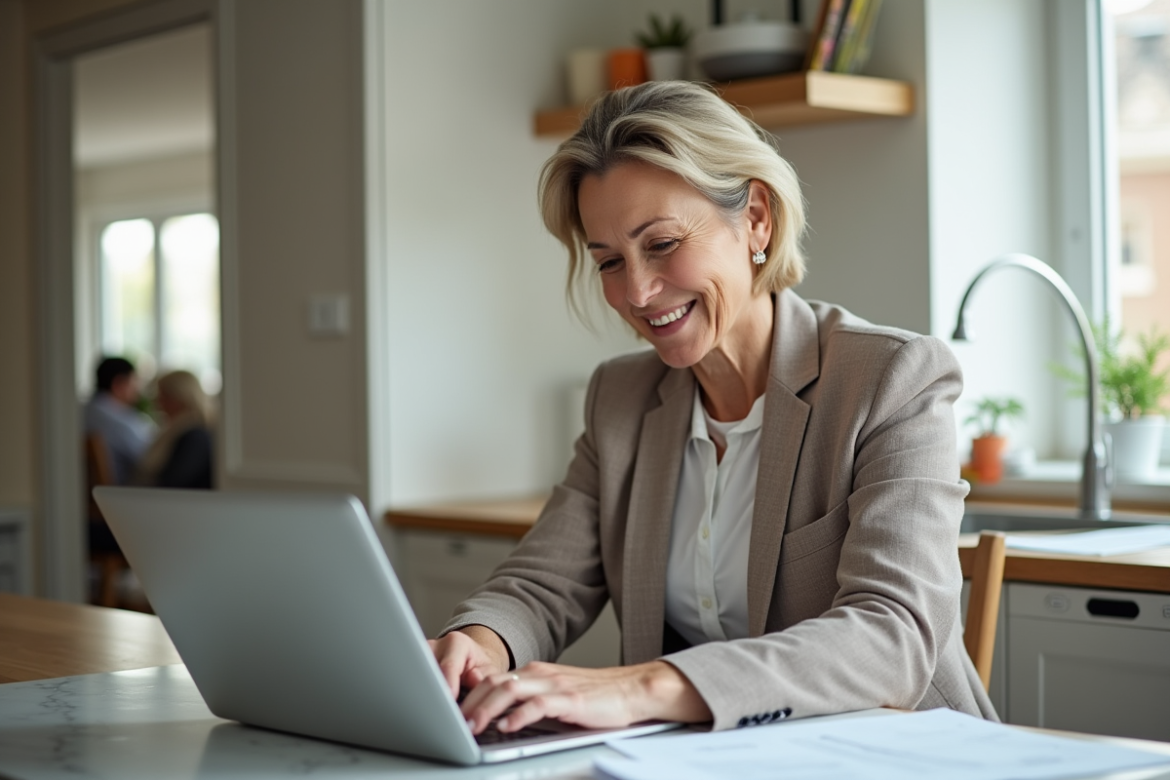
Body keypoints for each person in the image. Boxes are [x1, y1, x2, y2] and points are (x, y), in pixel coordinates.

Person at [430, 81, 997, 736]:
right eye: (609, 261)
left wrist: (643, 685)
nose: (637, 292)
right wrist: (475, 645)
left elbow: (891, 635)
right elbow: (541, 586)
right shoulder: (620, 399)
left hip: (901, 756)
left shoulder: (891, 379)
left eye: (663, 244)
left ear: (755, 217)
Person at [133, 370, 214, 489]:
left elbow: (172, 483)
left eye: (163, 396)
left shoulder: (195, 436)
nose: (157, 402)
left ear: (180, 397)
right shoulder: (175, 430)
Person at [83, 356, 155, 486]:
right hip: (121, 496)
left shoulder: (80, 412)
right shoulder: (122, 423)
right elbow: (150, 461)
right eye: (134, 384)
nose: (138, 391)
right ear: (118, 384)